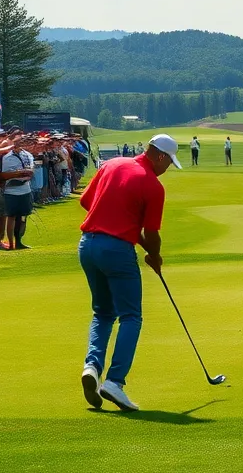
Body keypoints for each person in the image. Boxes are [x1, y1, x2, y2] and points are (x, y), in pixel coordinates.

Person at [77, 134, 181, 412]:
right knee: (131, 316)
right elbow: (151, 232)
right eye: (170, 161)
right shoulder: (153, 186)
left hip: (87, 246)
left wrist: (122, 222)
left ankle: (92, 366)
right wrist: (154, 255)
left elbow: (87, 202)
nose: (169, 167)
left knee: (102, 313)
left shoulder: (112, 165)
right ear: (159, 155)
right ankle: (114, 382)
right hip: (117, 250)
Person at [0, 137, 35, 250]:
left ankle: (19, 241)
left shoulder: (28, 155)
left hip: (25, 189)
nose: (19, 145)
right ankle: (11, 243)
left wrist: (29, 173)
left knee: (23, 216)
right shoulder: (7, 157)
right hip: (12, 191)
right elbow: (4, 175)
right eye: (16, 143)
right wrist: (18, 173)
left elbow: (32, 169)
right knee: (11, 216)